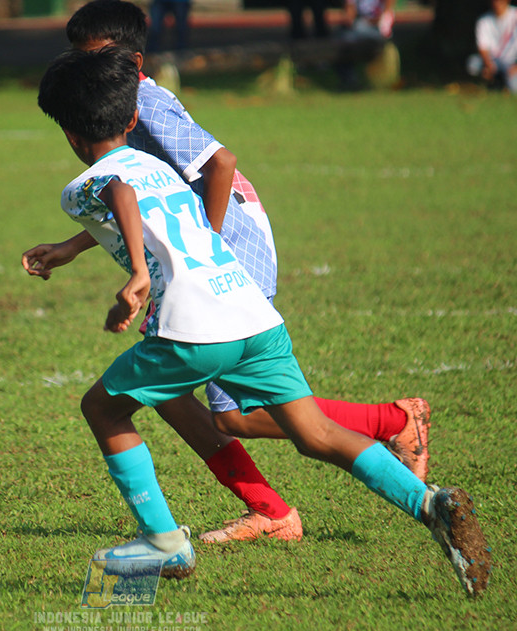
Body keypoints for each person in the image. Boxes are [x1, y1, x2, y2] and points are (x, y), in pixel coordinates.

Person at [31, 46, 492, 597]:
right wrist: (71, 248)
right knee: (316, 434)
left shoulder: (82, 187)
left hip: (192, 327)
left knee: (102, 407)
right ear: (132, 119)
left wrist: (137, 272)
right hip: (252, 314)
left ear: (70, 135)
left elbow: (117, 192)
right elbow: (143, 203)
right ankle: (430, 504)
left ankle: (162, 541)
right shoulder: (156, 166)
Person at [467, 0, 517, 94]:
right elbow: (482, 47)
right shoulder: (484, 20)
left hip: (514, 61)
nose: (497, 4)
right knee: (473, 64)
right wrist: (488, 65)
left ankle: (503, 82)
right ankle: (492, 82)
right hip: (494, 60)